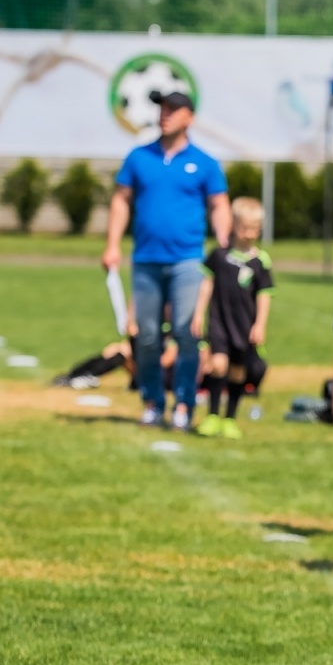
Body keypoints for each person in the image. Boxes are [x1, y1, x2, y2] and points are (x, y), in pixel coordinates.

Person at [103, 90, 231, 431]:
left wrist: (224, 241)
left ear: (189, 116)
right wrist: (112, 244)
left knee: (186, 333)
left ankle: (185, 405)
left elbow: (219, 204)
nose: (165, 114)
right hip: (145, 259)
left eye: (173, 109)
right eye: (162, 108)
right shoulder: (138, 157)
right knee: (145, 336)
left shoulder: (204, 162)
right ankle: (152, 402)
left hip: (188, 260)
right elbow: (120, 201)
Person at [192, 197, 273, 439]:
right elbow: (207, 284)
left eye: (254, 230)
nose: (248, 234)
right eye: (244, 228)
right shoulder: (219, 255)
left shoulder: (261, 261)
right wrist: (198, 313)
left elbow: (264, 295)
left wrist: (260, 324)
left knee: (238, 372)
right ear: (233, 225)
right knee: (218, 365)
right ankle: (212, 415)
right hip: (219, 321)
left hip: (244, 325)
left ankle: (230, 419)